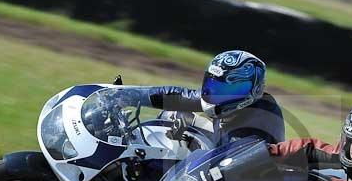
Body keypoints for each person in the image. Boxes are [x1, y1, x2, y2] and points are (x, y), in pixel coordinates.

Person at [112, 50, 285, 145]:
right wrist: (128, 95)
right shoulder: (224, 103)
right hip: (221, 148)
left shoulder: (260, 124)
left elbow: (228, 165)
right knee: (172, 115)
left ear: (253, 92)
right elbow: (178, 96)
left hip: (239, 179)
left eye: (230, 89)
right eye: (214, 85)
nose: (215, 94)